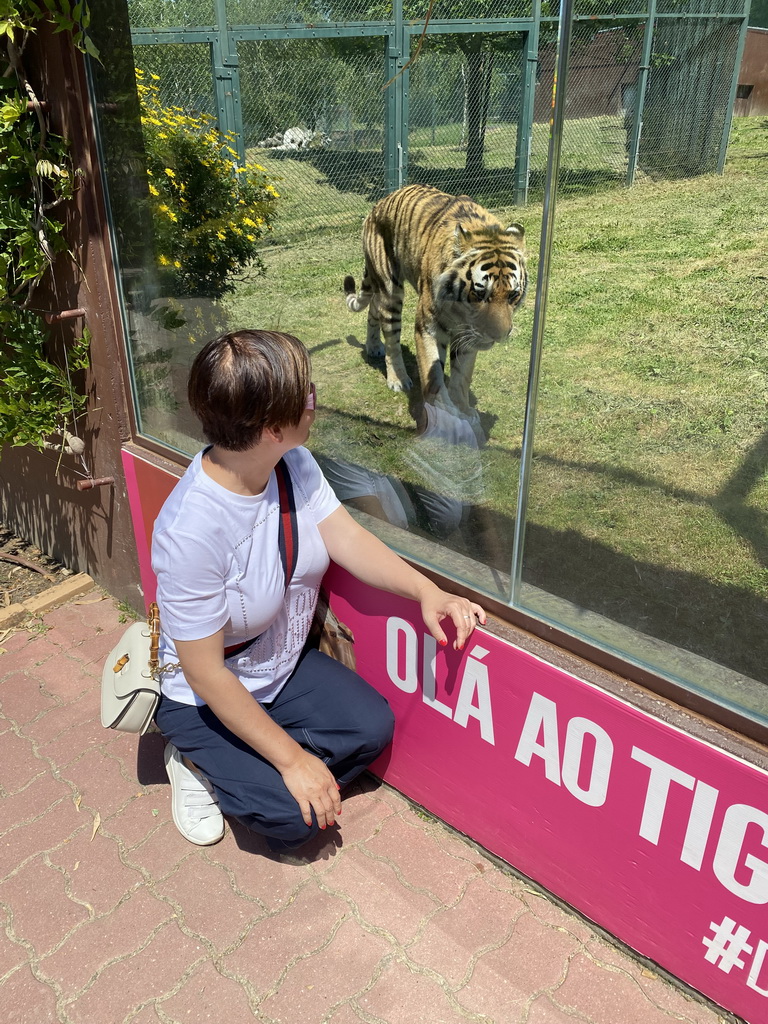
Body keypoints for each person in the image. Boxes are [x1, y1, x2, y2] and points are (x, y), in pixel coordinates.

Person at [151, 329, 485, 852]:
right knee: (294, 821)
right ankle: (195, 758)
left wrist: (426, 590)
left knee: (371, 729)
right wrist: (292, 760)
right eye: (306, 393)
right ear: (272, 428)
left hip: (278, 668)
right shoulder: (190, 532)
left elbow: (346, 537)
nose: (315, 399)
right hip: (205, 694)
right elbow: (204, 671)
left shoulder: (293, 464)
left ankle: (253, 763)